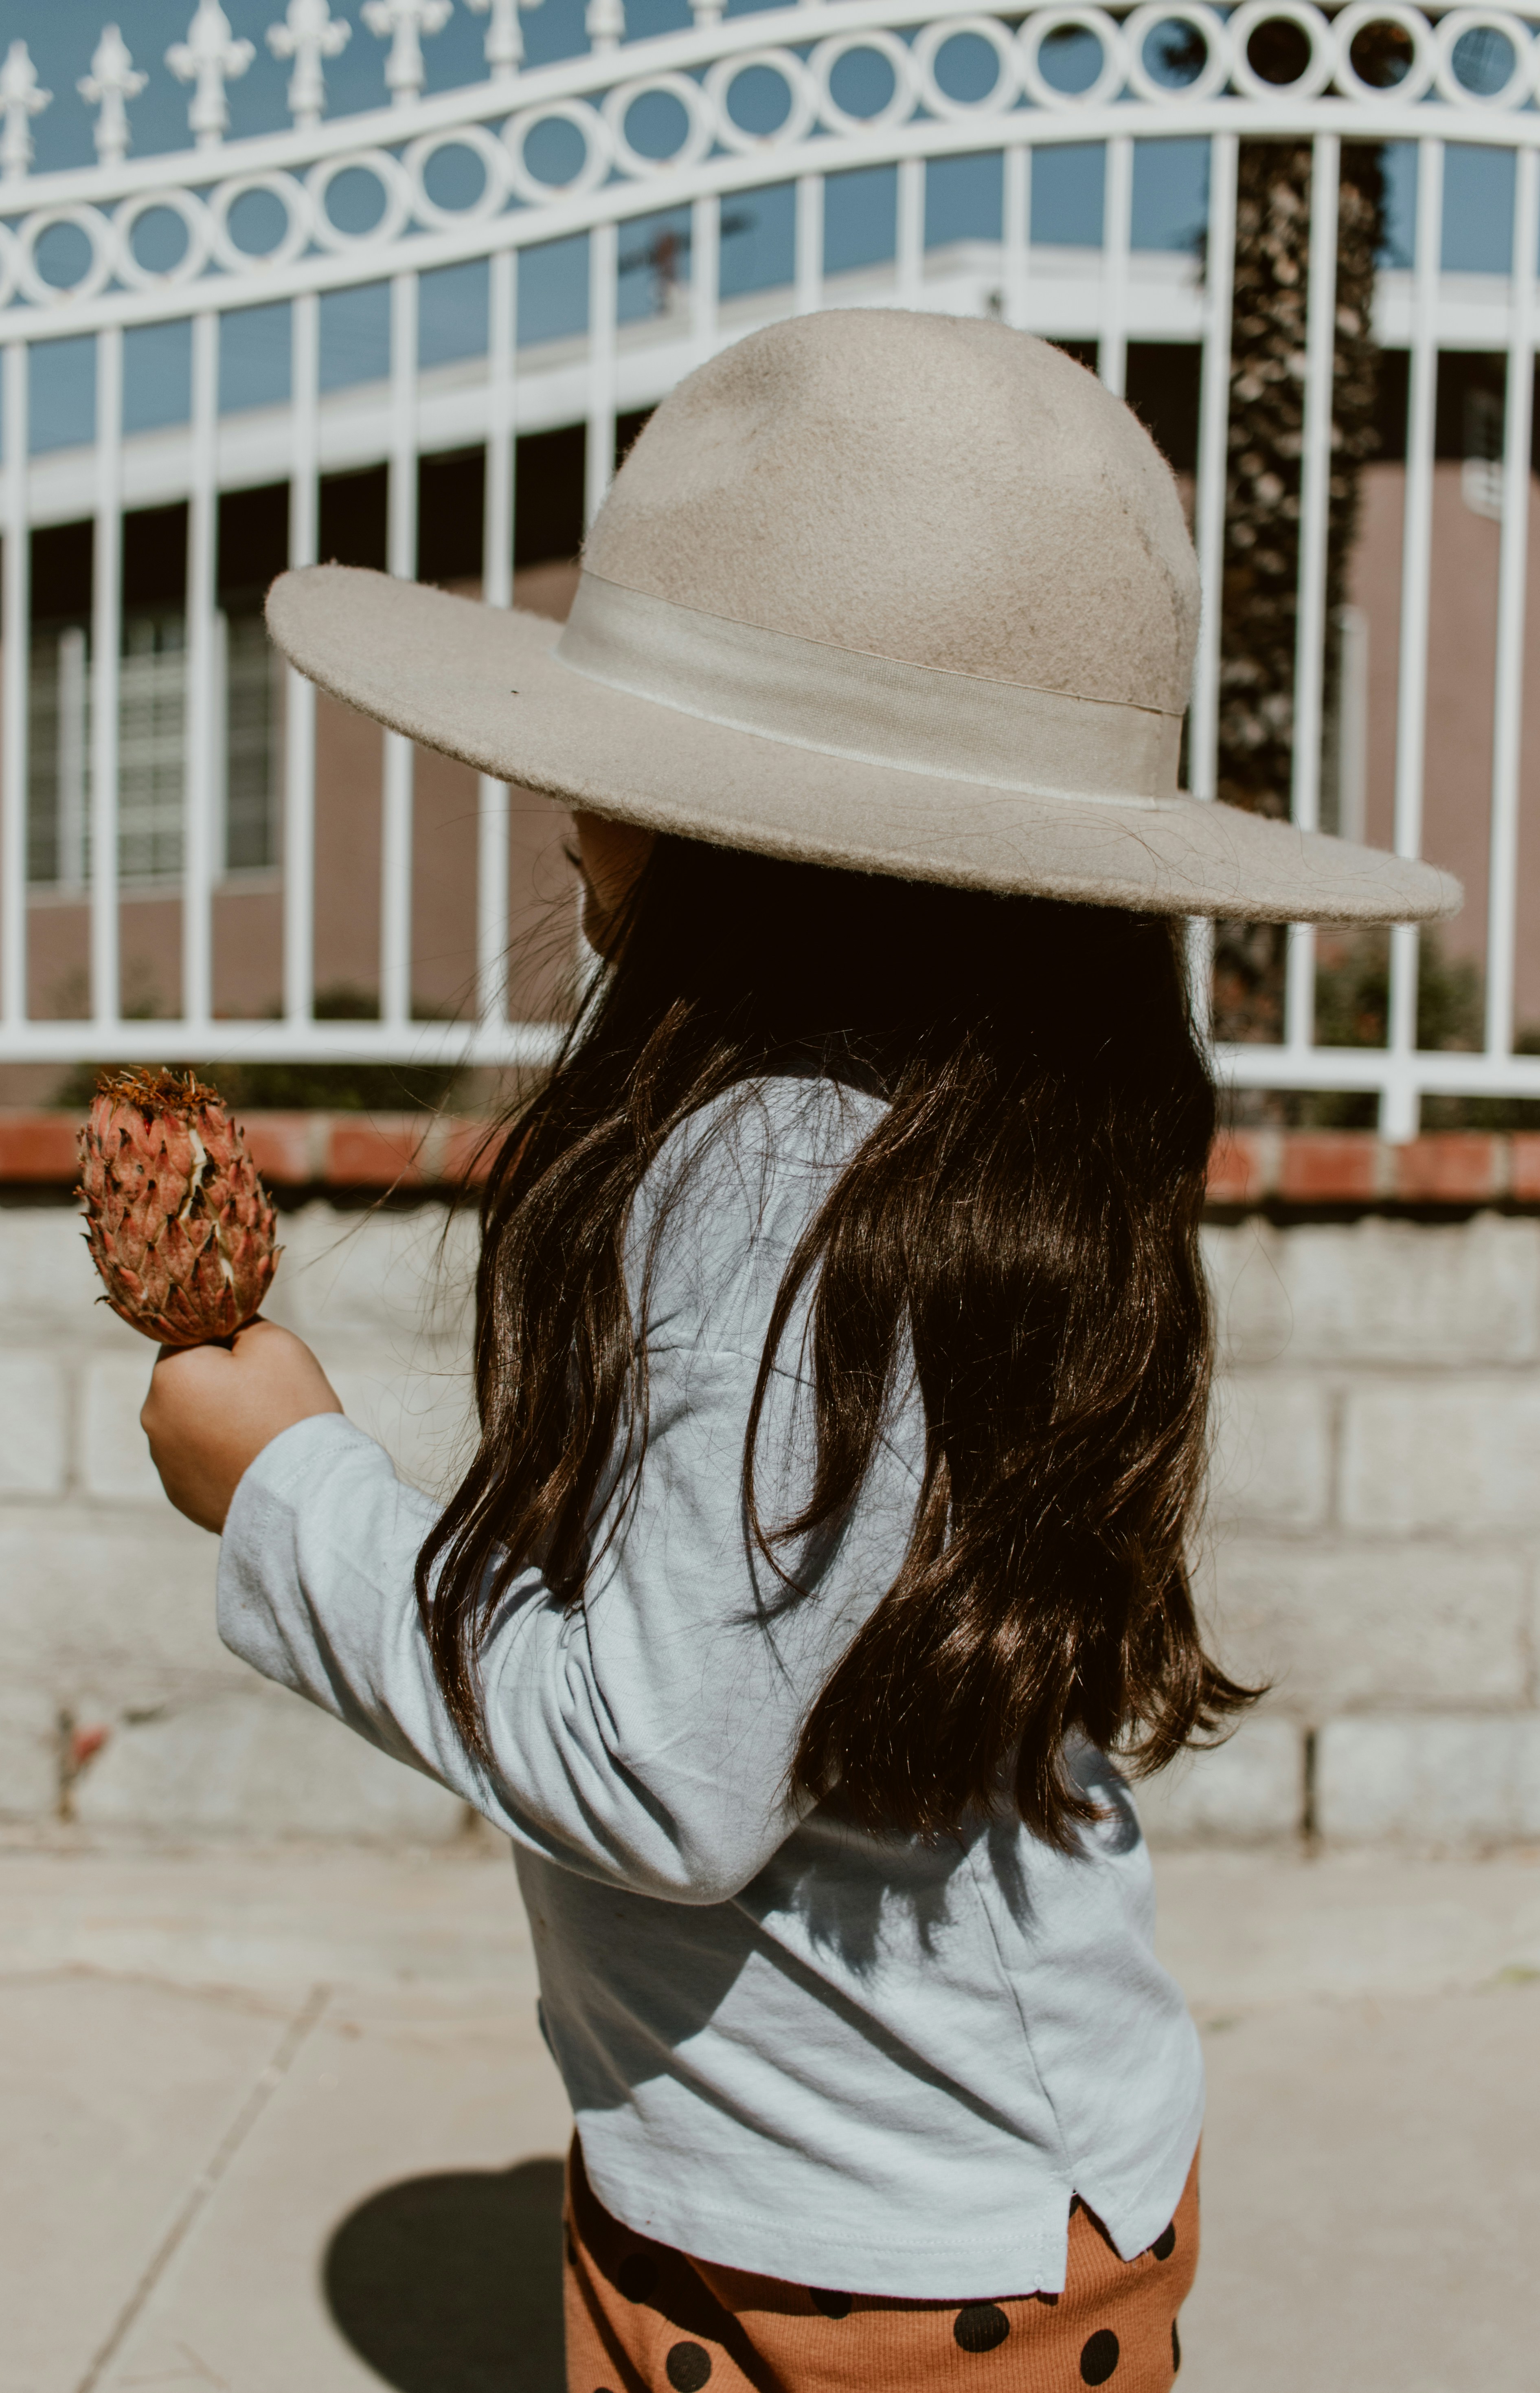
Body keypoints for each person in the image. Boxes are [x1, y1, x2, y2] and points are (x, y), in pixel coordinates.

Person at [142, 312, 1456, 2392]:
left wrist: (284, 1481)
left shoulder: (771, 1168)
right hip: (884, 2205)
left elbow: (660, 1775)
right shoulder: (967, 1125)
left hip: (868, 2283)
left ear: (730, 827)